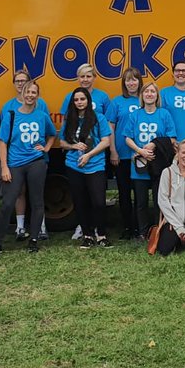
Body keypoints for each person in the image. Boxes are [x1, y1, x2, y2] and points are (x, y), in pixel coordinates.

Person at [0, 80, 57, 256]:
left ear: (38, 95)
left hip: (37, 161)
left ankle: (34, 240)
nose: (30, 95)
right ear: (22, 94)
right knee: (7, 203)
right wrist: (5, 167)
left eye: (34, 93)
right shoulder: (11, 115)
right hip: (15, 163)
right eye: (27, 92)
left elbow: (52, 134)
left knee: (37, 202)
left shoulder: (42, 116)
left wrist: (47, 148)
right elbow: (3, 142)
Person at [120, 81, 177, 240]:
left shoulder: (164, 114)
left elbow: (172, 138)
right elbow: (127, 138)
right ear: (142, 95)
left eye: (153, 91)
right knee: (141, 202)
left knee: (160, 201)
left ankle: (158, 231)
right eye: (146, 91)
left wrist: (154, 144)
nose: (149, 94)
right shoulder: (135, 115)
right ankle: (142, 233)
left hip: (159, 164)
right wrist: (140, 151)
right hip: (140, 164)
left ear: (157, 95)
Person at [60, 86, 113, 248]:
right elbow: (62, 142)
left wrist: (89, 155)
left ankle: (101, 234)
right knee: (80, 201)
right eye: (76, 100)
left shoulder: (98, 118)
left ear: (88, 101)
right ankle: (87, 235)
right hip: (74, 165)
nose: (79, 102)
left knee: (98, 202)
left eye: (82, 99)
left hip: (95, 165)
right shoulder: (69, 118)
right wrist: (74, 147)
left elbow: (106, 141)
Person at [105, 68, 143, 242]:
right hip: (122, 154)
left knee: (140, 193)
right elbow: (110, 128)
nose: (131, 83)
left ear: (139, 82)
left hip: (141, 155)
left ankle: (140, 227)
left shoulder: (146, 99)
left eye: (134, 79)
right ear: (124, 83)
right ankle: (128, 227)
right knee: (124, 193)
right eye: (128, 80)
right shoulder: (117, 102)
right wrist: (113, 150)